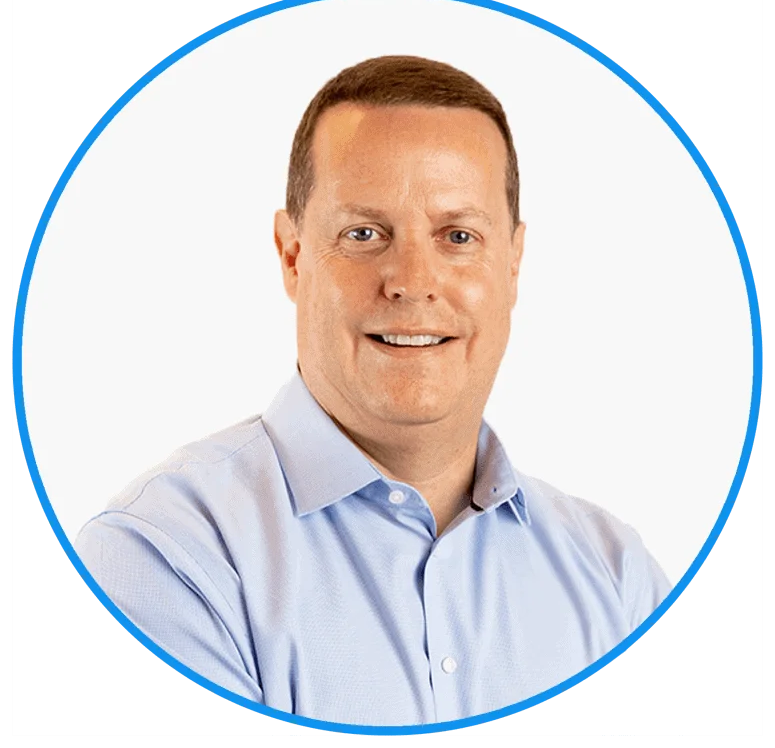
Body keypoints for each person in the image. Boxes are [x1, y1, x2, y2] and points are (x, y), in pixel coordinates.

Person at [76, 55, 672, 727]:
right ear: (292, 255)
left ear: (512, 262)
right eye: (364, 234)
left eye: (457, 236)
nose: (412, 280)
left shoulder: (618, 579)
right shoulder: (161, 559)